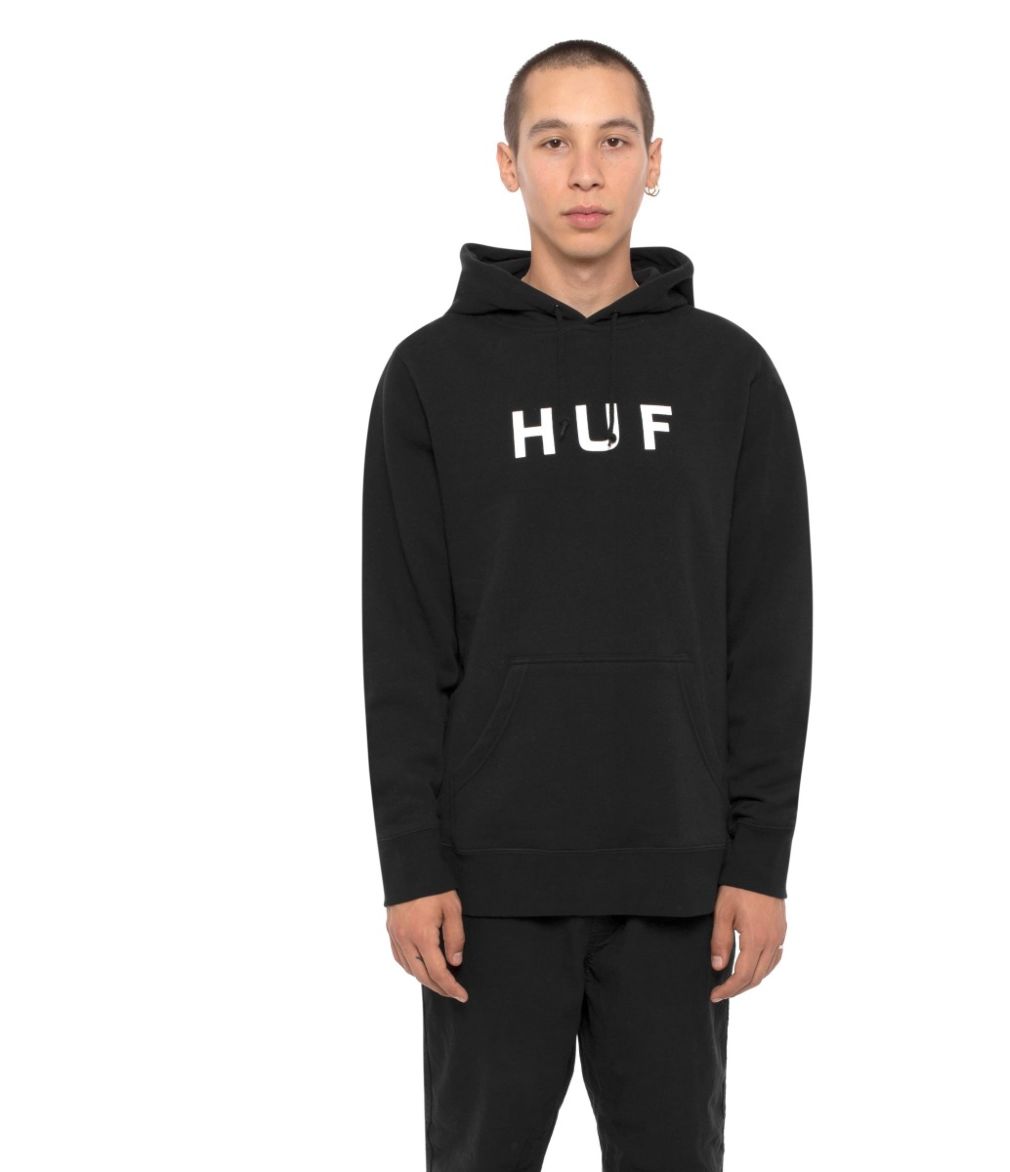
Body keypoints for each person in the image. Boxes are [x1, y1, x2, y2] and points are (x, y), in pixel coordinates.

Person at [361, 38, 813, 1171]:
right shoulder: (429, 377)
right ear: (507, 165)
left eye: (613, 141)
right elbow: (403, 640)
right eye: (552, 141)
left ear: (653, 163)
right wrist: (411, 863)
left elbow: (768, 637)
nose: (583, 171)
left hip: (679, 878)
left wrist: (759, 859)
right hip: (488, 885)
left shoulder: (730, 375)